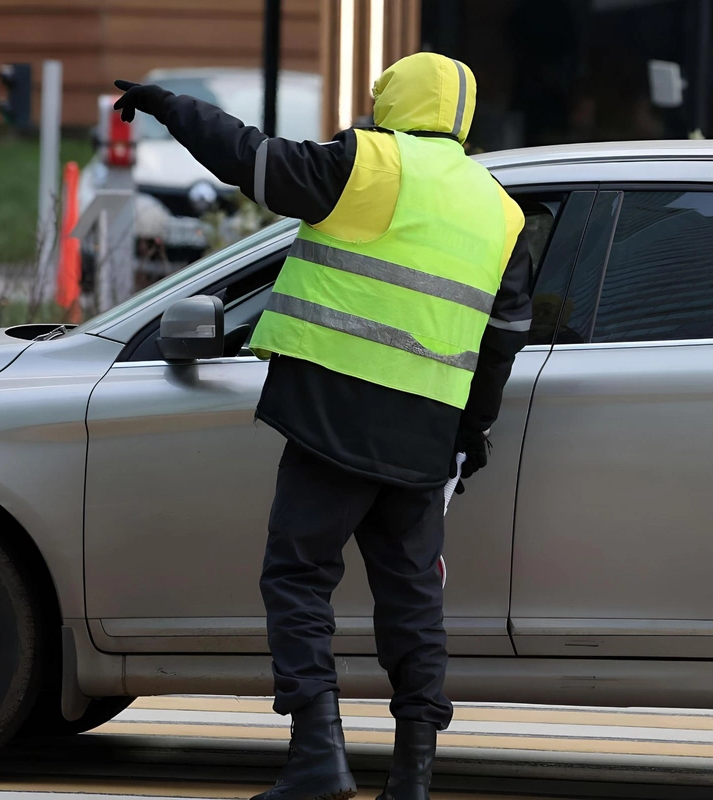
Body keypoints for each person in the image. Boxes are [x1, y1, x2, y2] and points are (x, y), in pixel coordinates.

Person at [113, 52, 532, 800]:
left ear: (394, 101)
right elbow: (503, 341)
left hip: (337, 411)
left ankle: (317, 757)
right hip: (425, 432)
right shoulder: (500, 211)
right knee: (412, 601)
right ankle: (413, 776)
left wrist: (172, 106)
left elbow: (251, 159)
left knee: (299, 575)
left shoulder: (368, 163)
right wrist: (469, 436)